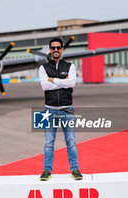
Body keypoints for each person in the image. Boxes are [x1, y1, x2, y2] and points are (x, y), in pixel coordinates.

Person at [38, 37, 83, 181]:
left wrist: (54, 80)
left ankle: (75, 169)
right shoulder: (43, 68)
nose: (56, 50)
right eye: (53, 48)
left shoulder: (70, 66)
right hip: (48, 110)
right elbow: (45, 86)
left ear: (62, 49)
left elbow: (72, 84)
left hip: (67, 109)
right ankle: (47, 170)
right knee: (48, 143)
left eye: (58, 47)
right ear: (50, 50)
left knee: (71, 141)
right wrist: (63, 83)